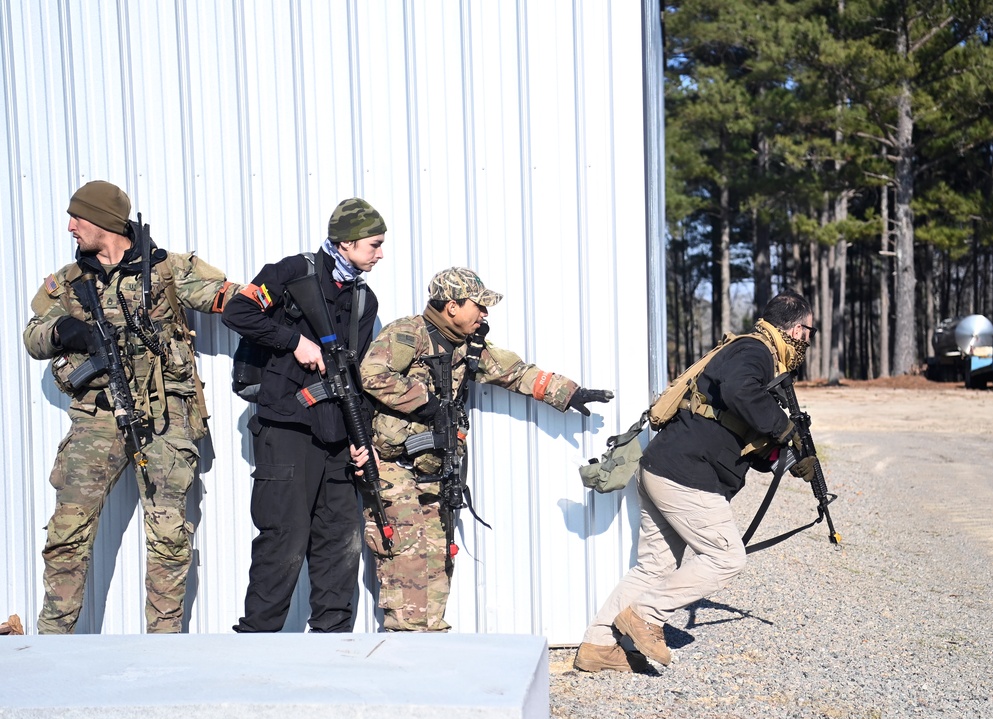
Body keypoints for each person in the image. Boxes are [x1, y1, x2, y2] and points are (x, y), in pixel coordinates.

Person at [23, 180, 242, 634]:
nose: (69, 227)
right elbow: (33, 335)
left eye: (77, 219)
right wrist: (64, 329)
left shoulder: (166, 270)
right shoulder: (67, 282)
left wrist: (275, 293)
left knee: (168, 535)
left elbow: (226, 297)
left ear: (103, 221)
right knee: (68, 530)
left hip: (163, 416)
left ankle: (161, 645)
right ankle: (51, 642)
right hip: (97, 418)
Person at [359, 266, 614, 632]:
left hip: (435, 464)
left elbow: (516, 372)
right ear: (452, 306)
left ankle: (429, 633)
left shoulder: (467, 344)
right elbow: (372, 373)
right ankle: (406, 640)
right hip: (395, 467)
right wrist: (427, 403)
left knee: (436, 553)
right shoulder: (407, 333)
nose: (484, 313)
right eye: (478, 305)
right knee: (405, 555)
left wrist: (570, 392)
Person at [575, 290, 817, 672]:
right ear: (796, 328)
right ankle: (645, 616)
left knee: (654, 568)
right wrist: (785, 429)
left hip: (664, 467)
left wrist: (784, 459)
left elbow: (731, 423)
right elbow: (741, 393)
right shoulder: (754, 351)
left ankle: (598, 646)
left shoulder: (749, 353)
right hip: (686, 475)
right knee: (726, 557)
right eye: (809, 331)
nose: (808, 340)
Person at [224, 197, 386, 633]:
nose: (380, 253)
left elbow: (358, 373)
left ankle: (333, 644)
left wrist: (361, 441)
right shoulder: (292, 272)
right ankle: (257, 639)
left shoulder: (362, 299)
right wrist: (293, 342)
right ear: (347, 243)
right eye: (374, 244)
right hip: (287, 428)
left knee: (341, 543)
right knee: (284, 539)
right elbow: (236, 311)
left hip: (337, 434)